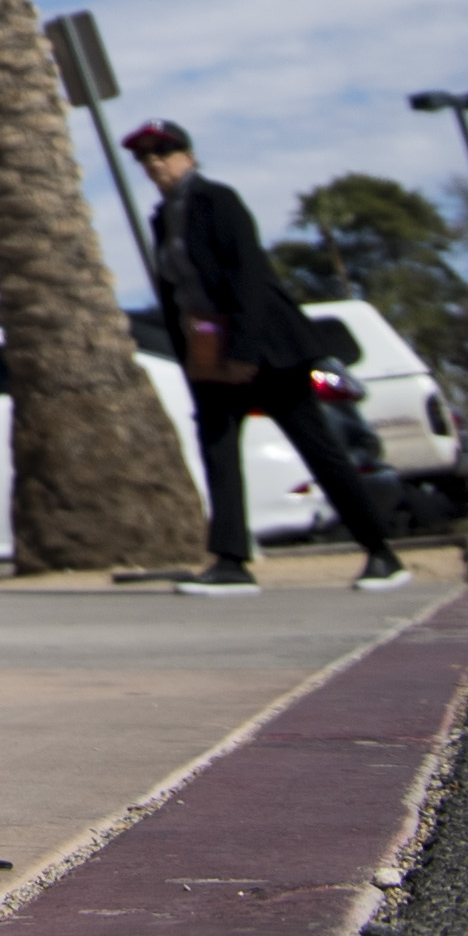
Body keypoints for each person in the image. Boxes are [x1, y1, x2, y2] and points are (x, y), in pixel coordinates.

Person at [126, 120, 416, 594]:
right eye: (145, 157)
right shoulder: (163, 219)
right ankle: (231, 563)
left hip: (266, 350)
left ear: (189, 156)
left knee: (318, 449)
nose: (154, 162)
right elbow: (179, 294)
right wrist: (194, 360)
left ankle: (383, 554)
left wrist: (244, 352)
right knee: (217, 449)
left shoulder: (217, 201)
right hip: (210, 352)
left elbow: (250, 278)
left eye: (164, 151)